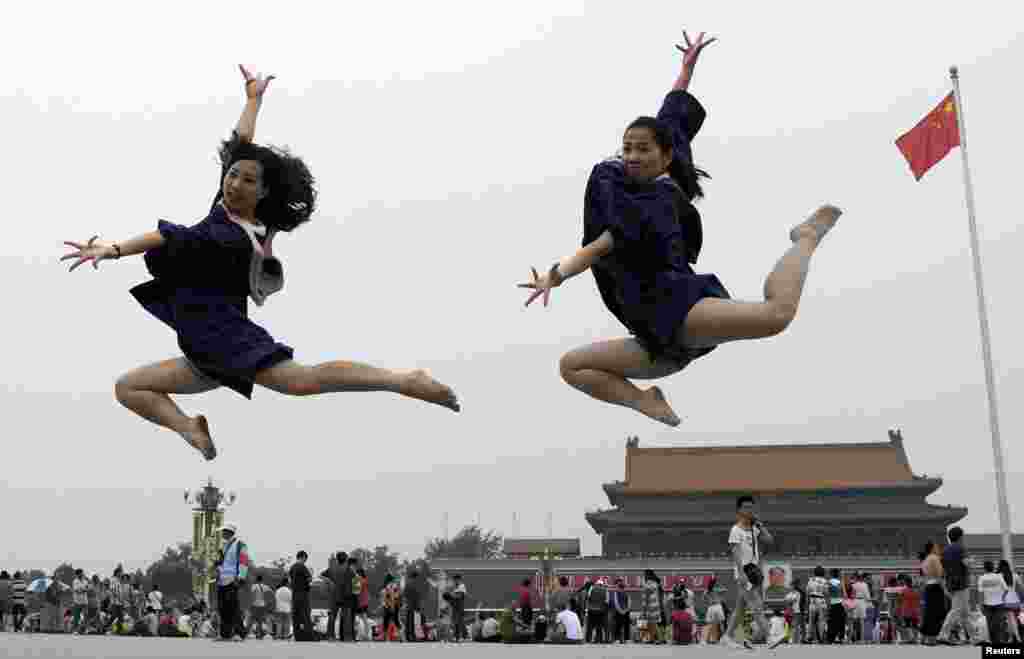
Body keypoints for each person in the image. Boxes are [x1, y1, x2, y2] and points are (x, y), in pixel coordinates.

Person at [60, 65, 459, 464]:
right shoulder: (246, 219)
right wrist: (253, 100)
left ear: (263, 191)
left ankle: (403, 381)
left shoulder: (224, 232)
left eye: (248, 181)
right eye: (232, 176)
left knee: (302, 380)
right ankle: (189, 427)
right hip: (201, 353)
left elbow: (164, 236)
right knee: (129, 388)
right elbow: (240, 145)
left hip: (223, 338)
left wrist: (114, 249)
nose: (234, 184)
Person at [519, 30, 843, 428]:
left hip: (680, 310)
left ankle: (805, 238)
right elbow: (668, 117)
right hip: (657, 340)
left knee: (776, 315)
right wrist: (685, 70)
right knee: (572, 367)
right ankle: (644, 401)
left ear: (666, 155)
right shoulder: (623, 189)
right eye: (627, 149)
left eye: (643, 149)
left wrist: (556, 275)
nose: (632, 157)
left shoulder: (657, 197)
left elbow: (599, 246)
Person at [723, 495, 784, 650]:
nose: (749, 510)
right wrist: (741, 574)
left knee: (740, 608)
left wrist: (760, 525)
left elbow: (769, 540)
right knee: (756, 606)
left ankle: (727, 636)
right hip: (744, 574)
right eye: (746, 508)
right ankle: (770, 637)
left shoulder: (754, 528)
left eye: (751, 508)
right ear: (739, 510)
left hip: (754, 573)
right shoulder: (735, 530)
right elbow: (736, 553)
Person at [937, 526, 975, 645]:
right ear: (960, 537)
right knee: (956, 610)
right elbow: (967, 563)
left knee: (965, 613)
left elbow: (942, 568)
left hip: (950, 583)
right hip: (961, 583)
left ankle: (975, 637)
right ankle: (943, 634)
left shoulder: (945, 550)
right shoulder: (961, 548)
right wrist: (972, 561)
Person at [213, 522, 249, 642]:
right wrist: (216, 567)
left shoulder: (240, 544)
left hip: (233, 579)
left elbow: (243, 561)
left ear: (229, 532)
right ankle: (225, 634)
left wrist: (241, 577)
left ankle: (240, 633)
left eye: (224, 531)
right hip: (222, 580)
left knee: (233, 607)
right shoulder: (223, 546)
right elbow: (220, 562)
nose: (222, 533)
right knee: (222, 608)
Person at [919, 541, 947, 646]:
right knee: (936, 613)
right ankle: (932, 638)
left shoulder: (925, 560)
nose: (938, 548)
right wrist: (944, 588)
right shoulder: (934, 558)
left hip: (928, 585)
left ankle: (923, 636)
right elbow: (940, 573)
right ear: (932, 548)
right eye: (936, 547)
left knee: (928, 612)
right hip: (936, 586)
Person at [977, 560, 1007, 644]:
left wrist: (980, 605)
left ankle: (993, 641)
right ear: (993, 567)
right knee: (999, 623)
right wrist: (1002, 598)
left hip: (987, 604)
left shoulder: (981, 578)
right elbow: (1006, 590)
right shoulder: (999, 577)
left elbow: (980, 593)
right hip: (999, 604)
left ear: (984, 569)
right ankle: (999, 640)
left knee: (990, 624)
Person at [289, 551, 313, 640]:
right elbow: (309, 579)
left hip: (294, 594)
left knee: (296, 615)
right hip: (303, 594)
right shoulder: (302, 567)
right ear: (303, 557)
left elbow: (290, 579)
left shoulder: (292, 567)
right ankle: (308, 636)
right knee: (306, 614)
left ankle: (297, 635)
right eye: (305, 558)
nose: (305, 560)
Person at [998, 560, 1022, 642]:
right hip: (1014, 598)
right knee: (1011, 619)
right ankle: (1011, 637)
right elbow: (1021, 587)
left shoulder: (999, 576)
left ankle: (1017, 637)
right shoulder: (1015, 575)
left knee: (1010, 619)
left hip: (1004, 598)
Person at [247, 574, 271, 639]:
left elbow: (250, 594)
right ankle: (260, 634)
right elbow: (269, 595)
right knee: (260, 621)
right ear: (262, 580)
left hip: (255, 605)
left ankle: (246, 633)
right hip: (263, 606)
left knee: (251, 620)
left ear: (256, 579)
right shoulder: (266, 587)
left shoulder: (254, 586)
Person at [611, 578, 630, 643]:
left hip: (618, 611)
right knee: (625, 625)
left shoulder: (616, 593)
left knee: (618, 625)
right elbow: (629, 602)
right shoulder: (626, 593)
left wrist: (620, 610)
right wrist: (626, 610)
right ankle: (625, 639)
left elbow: (616, 602)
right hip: (625, 611)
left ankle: (618, 639)